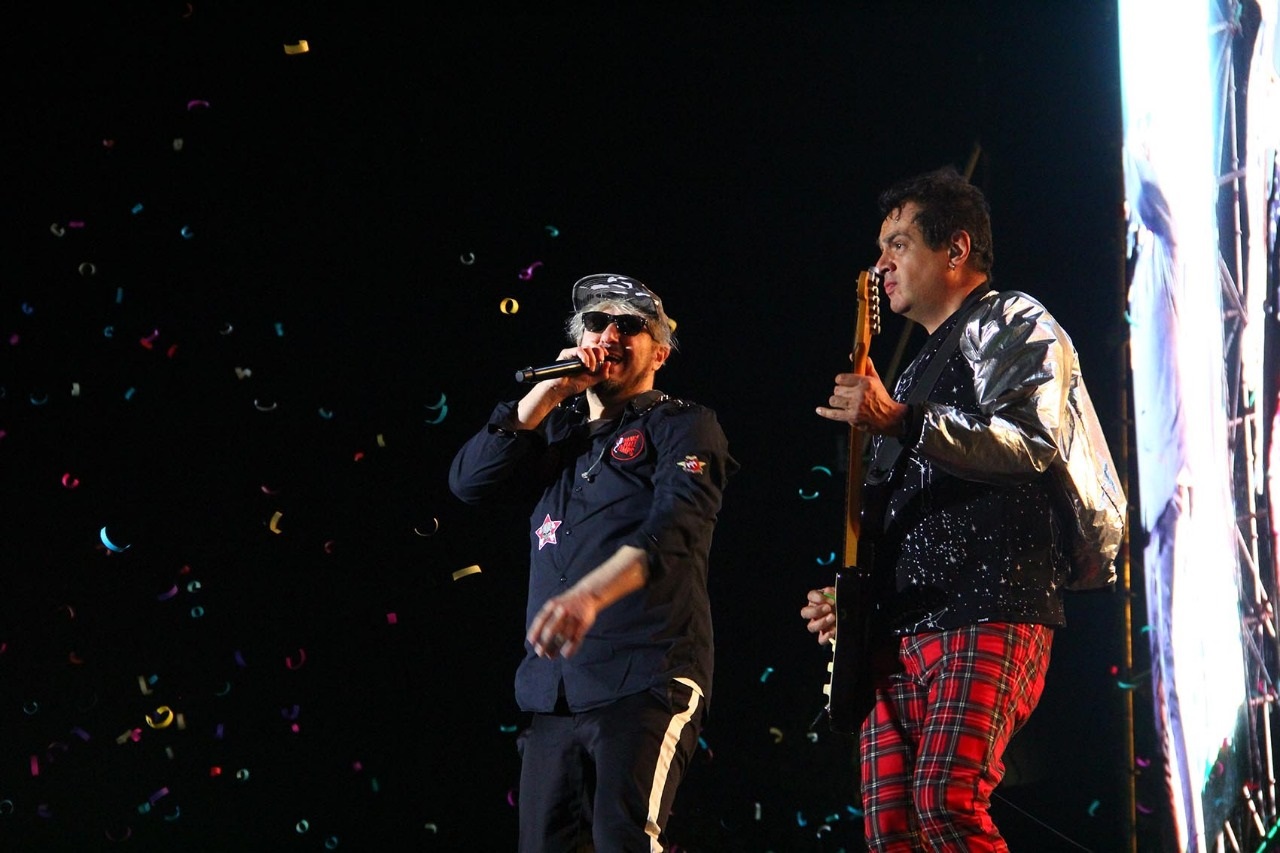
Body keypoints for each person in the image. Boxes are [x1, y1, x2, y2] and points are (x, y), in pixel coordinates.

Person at [799, 167, 1126, 852]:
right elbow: (903, 507)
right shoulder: (916, 368)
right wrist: (852, 596)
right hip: (901, 624)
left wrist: (898, 418)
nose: (880, 265)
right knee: (891, 829)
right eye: (879, 249)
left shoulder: (1013, 319)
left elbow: (1030, 441)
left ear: (956, 249)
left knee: (946, 801)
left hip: (990, 603)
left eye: (897, 244)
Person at [450, 273, 737, 852]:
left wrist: (590, 595)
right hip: (555, 691)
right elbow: (469, 483)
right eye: (596, 322)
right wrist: (548, 393)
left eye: (628, 325)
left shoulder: (683, 424)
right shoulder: (556, 431)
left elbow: (676, 530)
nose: (609, 335)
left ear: (659, 353)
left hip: (645, 675)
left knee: (623, 838)